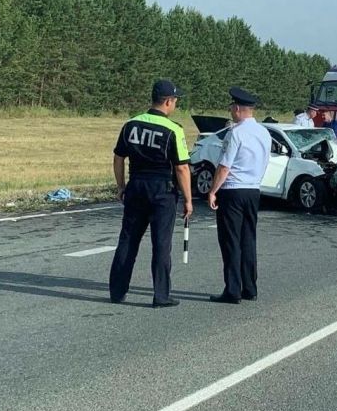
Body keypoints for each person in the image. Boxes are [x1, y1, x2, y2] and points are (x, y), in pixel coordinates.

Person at [109, 80, 193, 308]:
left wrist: (121, 186)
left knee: (128, 240)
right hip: (162, 190)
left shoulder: (131, 124)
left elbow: (118, 158)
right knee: (161, 243)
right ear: (168, 101)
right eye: (175, 101)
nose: (175, 104)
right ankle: (161, 295)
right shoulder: (174, 129)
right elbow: (182, 167)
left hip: (136, 186)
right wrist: (188, 199)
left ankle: (117, 291)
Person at [207, 87, 271, 304]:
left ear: (237, 108)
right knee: (248, 239)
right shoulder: (264, 132)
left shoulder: (235, 133)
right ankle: (250, 287)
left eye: (231, 108)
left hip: (233, 189)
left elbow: (224, 166)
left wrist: (213, 190)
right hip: (253, 189)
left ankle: (232, 289)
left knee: (231, 240)